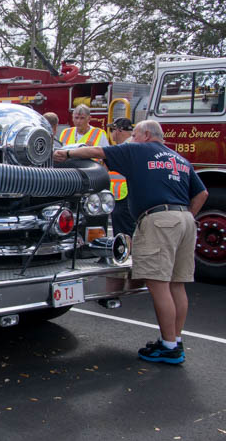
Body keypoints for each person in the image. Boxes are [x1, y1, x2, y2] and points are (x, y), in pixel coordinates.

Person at [53, 120, 208, 364]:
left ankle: (168, 347)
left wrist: (66, 153)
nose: (129, 139)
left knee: (159, 284)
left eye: (133, 134)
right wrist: (187, 215)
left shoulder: (137, 150)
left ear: (146, 135)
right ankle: (175, 340)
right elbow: (203, 193)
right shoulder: (179, 159)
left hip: (158, 220)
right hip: (186, 221)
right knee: (178, 285)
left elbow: (96, 152)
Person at [106, 117, 136, 237]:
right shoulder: (133, 145)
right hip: (129, 196)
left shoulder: (124, 148)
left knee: (123, 233)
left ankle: (126, 253)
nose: (112, 134)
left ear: (118, 131)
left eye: (112, 131)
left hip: (124, 196)